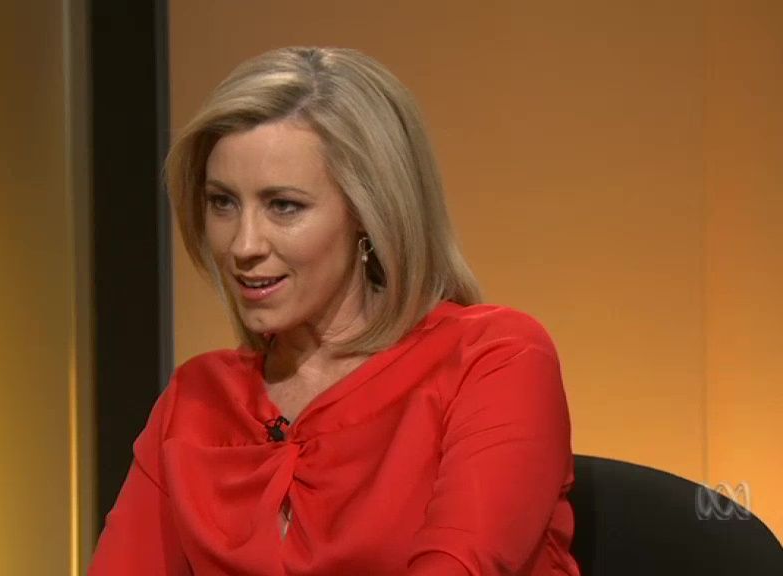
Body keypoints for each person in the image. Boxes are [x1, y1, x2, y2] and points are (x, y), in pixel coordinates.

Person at [88, 46, 579, 576]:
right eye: (222, 202)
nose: (243, 245)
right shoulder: (196, 401)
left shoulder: (492, 359)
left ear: (369, 212)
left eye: (284, 206)